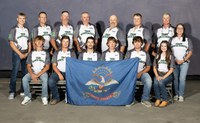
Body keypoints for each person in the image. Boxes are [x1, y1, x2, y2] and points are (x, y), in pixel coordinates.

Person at [8, 12, 31, 99]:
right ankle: (12, 91)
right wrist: (20, 53)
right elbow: (11, 43)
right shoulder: (13, 29)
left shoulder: (26, 30)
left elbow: (29, 42)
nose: (22, 20)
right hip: (17, 53)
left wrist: (27, 53)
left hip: (25, 53)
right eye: (20, 18)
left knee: (25, 73)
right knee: (15, 72)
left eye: (23, 19)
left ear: (25, 20)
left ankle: (23, 90)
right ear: (17, 19)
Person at [21, 36, 50, 105]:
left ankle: (44, 96)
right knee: (24, 79)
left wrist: (37, 75)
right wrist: (32, 75)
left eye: (40, 41)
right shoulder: (31, 53)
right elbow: (28, 65)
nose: (39, 42)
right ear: (35, 42)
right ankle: (27, 96)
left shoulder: (46, 53)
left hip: (42, 72)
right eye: (37, 41)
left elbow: (47, 67)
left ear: (43, 42)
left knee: (45, 79)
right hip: (33, 72)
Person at [48, 36, 76, 105]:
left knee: (74, 81)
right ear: (61, 42)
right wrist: (59, 74)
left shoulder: (72, 52)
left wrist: (69, 73)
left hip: (69, 72)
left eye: (67, 42)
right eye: (64, 41)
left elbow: (74, 65)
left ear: (69, 43)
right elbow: (54, 65)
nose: (65, 43)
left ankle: (69, 96)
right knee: (51, 81)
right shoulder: (57, 52)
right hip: (58, 71)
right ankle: (56, 97)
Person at [125, 36, 152, 107]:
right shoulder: (129, 53)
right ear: (133, 43)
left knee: (149, 81)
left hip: (142, 72)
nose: (137, 43)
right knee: (128, 81)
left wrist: (140, 73)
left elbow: (148, 67)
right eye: (135, 42)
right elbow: (126, 66)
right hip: (131, 73)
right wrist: (133, 73)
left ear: (142, 44)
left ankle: (145, 99)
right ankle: (131, 99)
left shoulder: (145, 53)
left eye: (139, 42)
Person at [170, 23, 193, 102]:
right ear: (176, 30)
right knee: (175, 79)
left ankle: (181, 95)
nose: (179, 30)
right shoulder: (172, 39)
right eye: (178, 28)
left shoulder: (187, 39)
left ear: (183, 30)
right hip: (175, 62)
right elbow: (170, 52)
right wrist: (175, 60)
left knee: (182, 79)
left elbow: (190, 52)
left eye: (181, 28)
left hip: (184, 63)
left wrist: (183, 60)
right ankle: (176, 94)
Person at [153, 41, 175, 107]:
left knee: (161, 82)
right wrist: (157, 76)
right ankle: (158, 99)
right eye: (162, 46)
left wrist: (163, 77)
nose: (163, 47)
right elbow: (154, 67)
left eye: (165, 46)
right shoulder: (157, 55)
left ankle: (165, 100)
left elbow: (171, 70)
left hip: (167, 75)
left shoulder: (171, 56)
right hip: (159, 73)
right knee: (155, 83)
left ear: (167, 47)